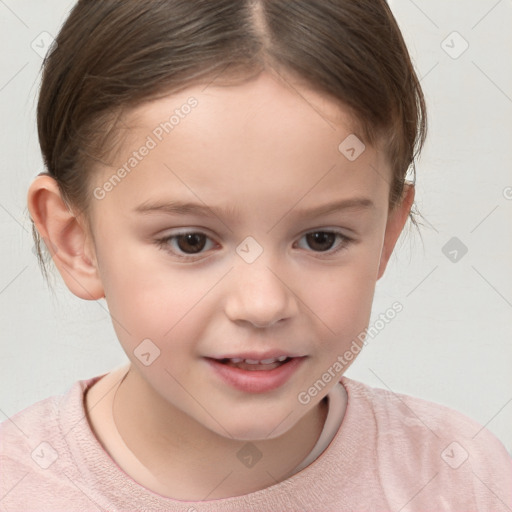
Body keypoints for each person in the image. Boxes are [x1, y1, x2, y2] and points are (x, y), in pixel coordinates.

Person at [1, 0, 510, 510]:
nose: (263, 304)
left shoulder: (460, 479)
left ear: (387, 234)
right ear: (75, 242)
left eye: (321, 239)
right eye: (191, 241)